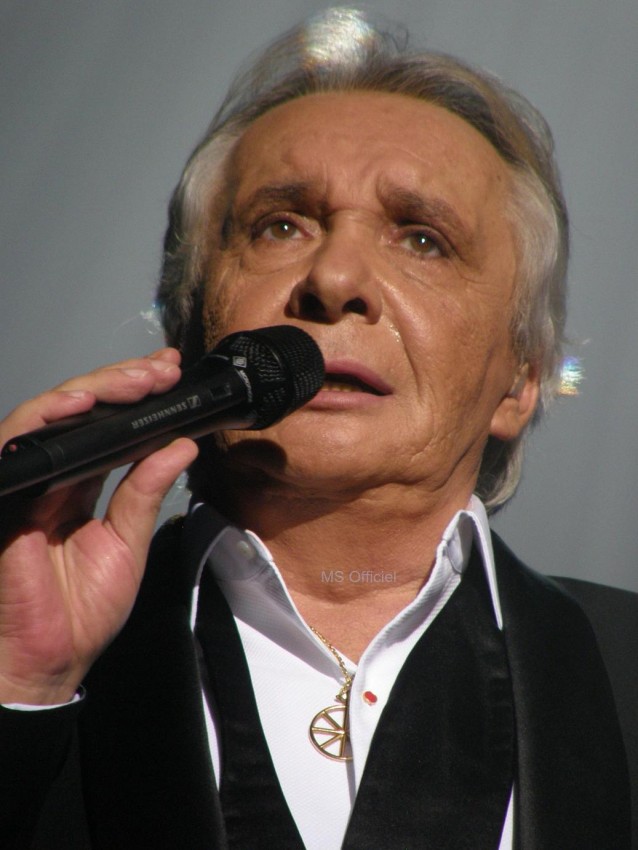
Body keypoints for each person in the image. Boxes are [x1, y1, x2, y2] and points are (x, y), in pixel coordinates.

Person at [0, 8, 635, 849]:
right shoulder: (34, 651)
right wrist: (20, 686)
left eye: (423, 239)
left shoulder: (624, 667)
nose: (333, 280)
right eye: (281, 226)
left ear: (519, 379)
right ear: (189, 329)